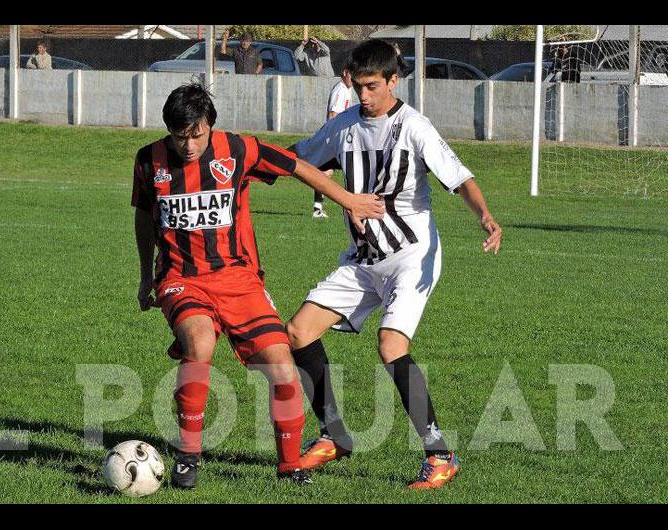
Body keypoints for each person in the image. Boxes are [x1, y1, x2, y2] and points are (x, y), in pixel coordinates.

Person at [133, 83, 384, 490]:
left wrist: (348, 199)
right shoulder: (149, 160)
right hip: (182, 278)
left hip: (239, 279)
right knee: (199, 345)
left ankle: (289, 465)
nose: (190, 144)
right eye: (181, 136)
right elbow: (144, 217)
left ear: (209, 125)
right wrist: (147, 274)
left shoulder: (238, 149)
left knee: (283, 368)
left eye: (197, 134)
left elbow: (297, 167)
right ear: (169, 131)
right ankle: (188, 455)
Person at [284, 39, 503, 489]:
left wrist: (484, 216)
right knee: (298, 332)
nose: (363, 96)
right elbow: (299, 158)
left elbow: (460, 179)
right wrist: (244, 160)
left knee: (390, 346)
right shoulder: (344, 125)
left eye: (371, 87)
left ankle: (439, 454)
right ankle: (334, 435)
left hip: (411, 257)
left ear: (392, 81)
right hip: (364, 259)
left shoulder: (415, 127)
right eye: (356, 86)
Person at [312, 66, 353, 219]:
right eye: (351, 74)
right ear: (344, 72)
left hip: (339, 138)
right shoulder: (340, 89)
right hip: (336, 139)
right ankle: (352, 205)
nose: (353, 78)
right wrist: (335, 138)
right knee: (350, 169)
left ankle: (317, 209)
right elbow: (333, 115)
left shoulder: (347, 89)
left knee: (325, 174)